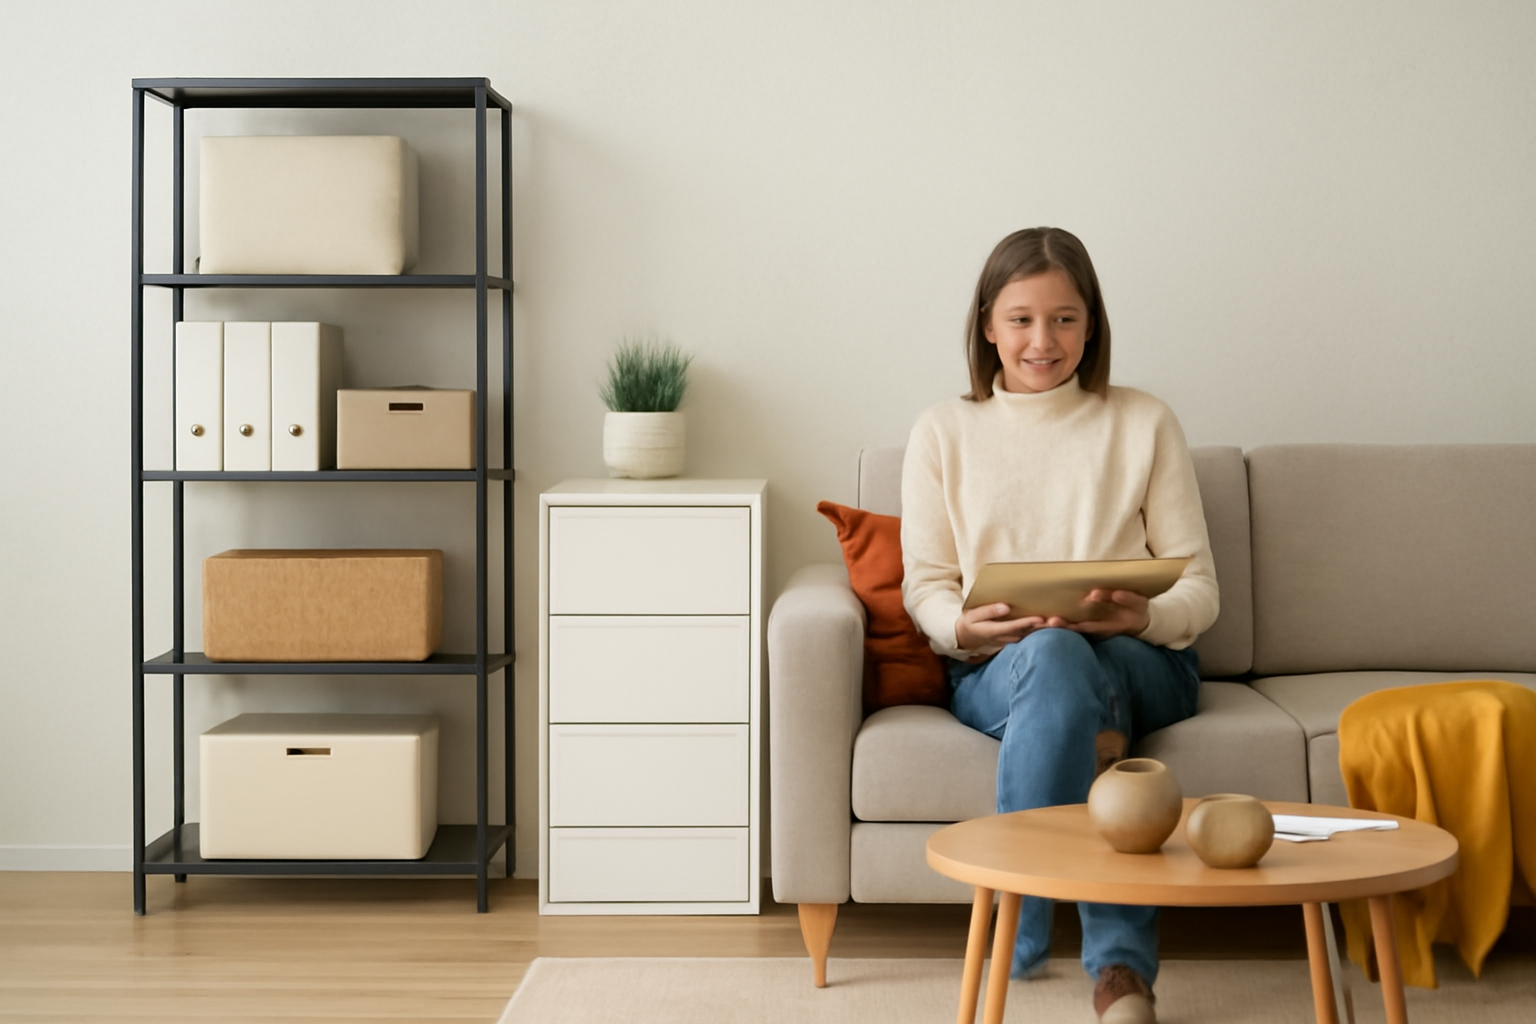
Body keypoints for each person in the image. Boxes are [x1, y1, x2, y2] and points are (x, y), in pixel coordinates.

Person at [900, 227, 1218, 1024]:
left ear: (1092, 324)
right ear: (986, 325)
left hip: (1143, 661)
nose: (1043, 341)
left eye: (1065, 319)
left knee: (1067, 655)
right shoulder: (943, 431)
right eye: (1021, 320)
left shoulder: (1143, 421)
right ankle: (1119, 977)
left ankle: (1018, 920)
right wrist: (965, 628)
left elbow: (1201, 590)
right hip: (998, 669)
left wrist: (1146, 614)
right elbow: (928, 588)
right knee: (1053, 655)